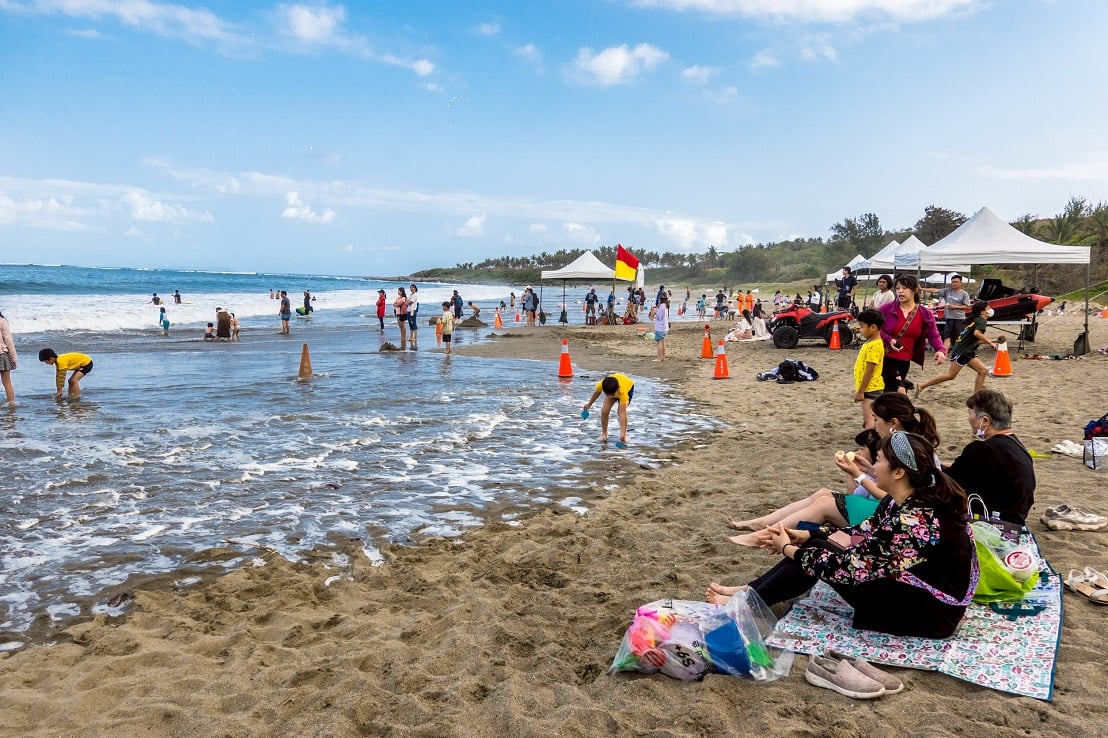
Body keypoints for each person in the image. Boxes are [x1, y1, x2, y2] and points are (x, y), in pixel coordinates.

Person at [708, 431, 975, 639]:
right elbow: (860, 533)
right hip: (920, 594)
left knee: (819, 555)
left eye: (879, 460)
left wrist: (788, 548)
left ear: (899, 472)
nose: (874, 465)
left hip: (931, 615)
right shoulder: (904, 500)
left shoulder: (915, 519)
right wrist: (804, 535)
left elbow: (848, 569)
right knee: (817, 543)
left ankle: (750, 601)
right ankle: (751, 592)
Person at [727, 429, 883, 546]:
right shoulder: (880, 464)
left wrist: (858, 474)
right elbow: (856, 495)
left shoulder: (889, 460)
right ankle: (762, 524)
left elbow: (887, 497)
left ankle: (762, 536)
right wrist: (858, 471)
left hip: (879, 516)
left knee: (823, 504)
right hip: (872, 506)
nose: (874, 423)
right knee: (822, 494)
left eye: (876, 419)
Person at [944, 390, 1034, 526]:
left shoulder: (982, 450)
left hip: (991, 524)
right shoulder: (1017, 447)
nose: (969, 418)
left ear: (985, 420)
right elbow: (967, 470)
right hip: (1014, 519)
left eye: (970, 413)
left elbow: (948, 481)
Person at [877, 274, 947, 393]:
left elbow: (933, 335)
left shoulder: (925, 313)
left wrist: (940, 350)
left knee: (890, 393)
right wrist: (889, 339)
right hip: (884, 356)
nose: (900, 291)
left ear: (915, 290)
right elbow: (873, 329)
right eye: (898, 288)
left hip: (905, 359)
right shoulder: (887, 309)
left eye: (904, 288)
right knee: (899, 390)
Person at [915, 301, 996, 397]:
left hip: (966, 350)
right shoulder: (981, 321)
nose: (991, 310)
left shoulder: (976, 320)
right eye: (988, 308)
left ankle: (976, 397)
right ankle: (922, 385)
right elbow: (977, 334)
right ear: (982, 312)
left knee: (983, 371)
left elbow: (975, 341)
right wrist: (990, 342)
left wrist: (994, 341)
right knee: (951, 375)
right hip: (963, 351)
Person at [852, 309, 885, 428]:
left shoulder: (873, 346)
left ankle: (869, 439)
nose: (860, 330)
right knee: (870, 418)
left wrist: (861, 391)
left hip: (871, 388)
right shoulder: (871, 343)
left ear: (873, 327)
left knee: (869, 419)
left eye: (862, 327)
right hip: (870, 387)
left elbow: (869, 370)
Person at [582, 374, 634, 445]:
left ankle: (624, 434)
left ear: (617, 389)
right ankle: (604, 434)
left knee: (620, 411)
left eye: (612, 395)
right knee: (604, 411)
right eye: (607, 395)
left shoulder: (623, 392)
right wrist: (589, 404)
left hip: (628, 388)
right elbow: (596, 394)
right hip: (613, 388)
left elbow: (622, 413)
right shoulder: (601, 385)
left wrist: (622, 433)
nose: (610, 397)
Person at [929, 274, 973, 352]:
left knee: (958, 337)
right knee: (947, 336)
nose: (954, 283)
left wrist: (955, 306)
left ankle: (959, 352)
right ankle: (944, 353)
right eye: (953, 282)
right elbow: (935, 290)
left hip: (959, 318)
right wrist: (921, 288)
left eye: (956, 282)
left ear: (961, 283)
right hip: (949, 318)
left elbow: (967, 307)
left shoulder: (964, 294)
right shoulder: (948, 291)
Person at [0, 309, 17, 404]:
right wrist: (14, 358)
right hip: (2, 354)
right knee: (7, 382)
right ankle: (11, 404)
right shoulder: (2, 321)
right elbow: (9, 341)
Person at [652, 295, 669, 362]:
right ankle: (663, 357)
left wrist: (655, 311)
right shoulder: (666, 306)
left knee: (659, 342)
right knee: (663, 342)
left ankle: (659, 358)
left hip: (660, 327)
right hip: (665, 327)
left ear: (661, 300)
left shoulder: (662, 306)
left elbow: (659, 317)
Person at [408, 284, 420, 349]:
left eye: (412, 287)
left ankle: (414, 337)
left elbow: (409, 302)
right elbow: (407, 302)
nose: (411, 288)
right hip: (408, 310)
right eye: (410, 287)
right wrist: (408, 302)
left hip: (413, 310)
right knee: (410, 324)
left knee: (413, 323)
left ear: (415, 288)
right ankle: (411, 337)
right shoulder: (410, 295)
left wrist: (408, 302)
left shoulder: (415, 295)